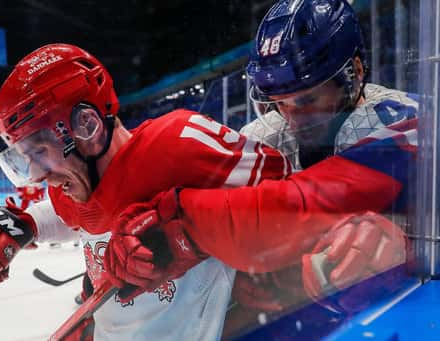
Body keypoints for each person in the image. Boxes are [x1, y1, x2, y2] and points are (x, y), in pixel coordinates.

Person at [0, 37, 411, 341]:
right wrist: (18, 223)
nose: (35, 175)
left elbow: (279, 190)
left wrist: (191, 226)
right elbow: (65, 210)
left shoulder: (179, 143)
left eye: (39, 151)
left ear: (86, 125)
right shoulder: (72, 185)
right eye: (21, 158)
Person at [101, 0, 417, 335]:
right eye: (278, 102)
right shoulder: (265, 133)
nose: (292, 118)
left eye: (307, 99)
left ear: (354, 74)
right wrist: (141, 228)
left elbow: (308, 198)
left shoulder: (403, 121)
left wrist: (183, 223)